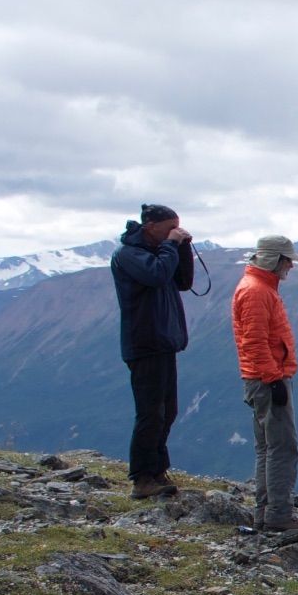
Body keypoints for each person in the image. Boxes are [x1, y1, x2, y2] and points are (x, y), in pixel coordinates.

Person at [110, 202, 193, 499]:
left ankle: (157, 469)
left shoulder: (159, 252)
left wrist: (181, 249)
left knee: (167, 411)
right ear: (150, 227)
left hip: (163, 343)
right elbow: (157, 275)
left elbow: (183, 282)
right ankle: (142, 477)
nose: (175, 231)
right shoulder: (129, 254)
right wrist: (172, 246)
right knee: (150, 412)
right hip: (145, 343)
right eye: (170, 227)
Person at [232, 235, 298, 532]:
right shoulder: (257, 292)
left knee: (268, 447)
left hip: (261, 378)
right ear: (274, 259)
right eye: (287, 260)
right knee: (282, 447)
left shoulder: (258, 288)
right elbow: (254, 341)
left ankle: (265, 512)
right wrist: (273, 378)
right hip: (267, 378)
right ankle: (278, 514)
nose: (290, 265)